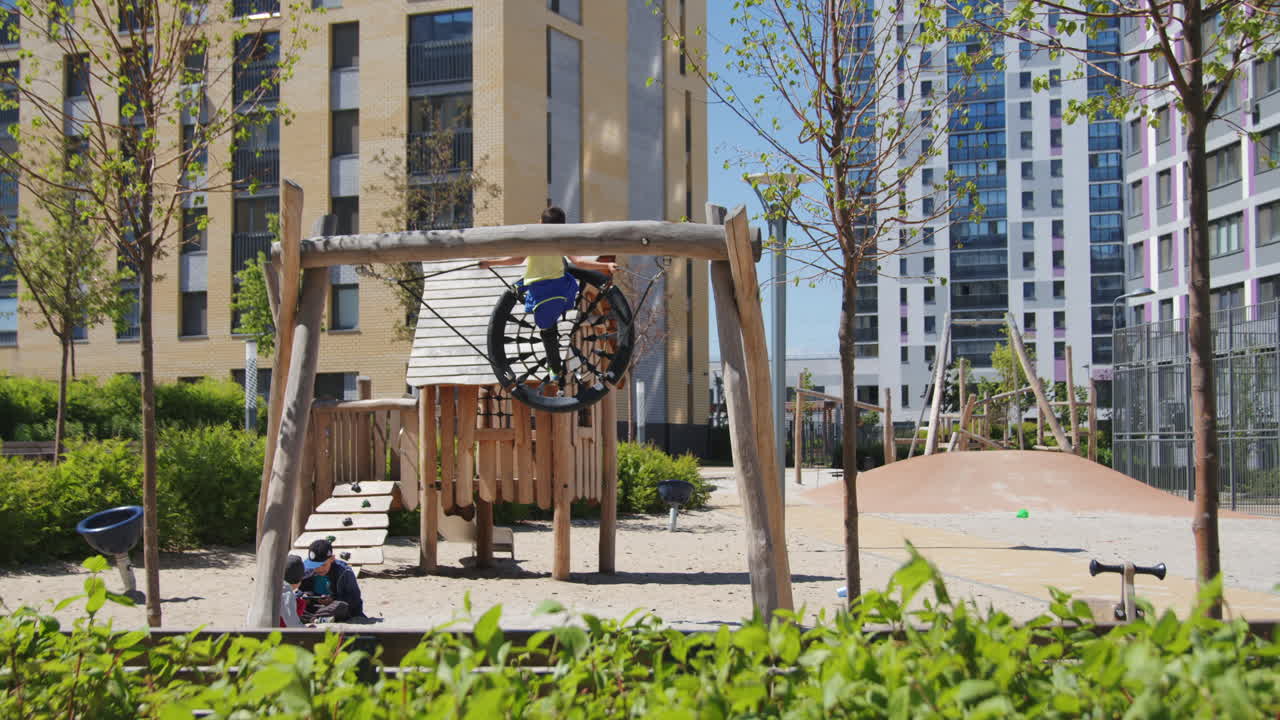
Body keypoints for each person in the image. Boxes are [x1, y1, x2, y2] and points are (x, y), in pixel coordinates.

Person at [478, 206, 617, 380]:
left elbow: (517, 259)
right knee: (549, 317)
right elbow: (580, 262)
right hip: (560, 287)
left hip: (541, 289)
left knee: (547, 329)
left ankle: (555, 368)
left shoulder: (532, 240)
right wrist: (606, 267)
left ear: (541, 223)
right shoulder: (562, 241)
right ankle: (555, 367)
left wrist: (491, 262)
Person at [300, 539, 365, 621]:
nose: (319, 569)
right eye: (315, 566)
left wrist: (332, 600)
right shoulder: (307, 570)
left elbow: (354, 599)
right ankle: (317, 619)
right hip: (314, 609)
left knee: (340, 606)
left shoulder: (344, 572)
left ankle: (315, 618)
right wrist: (306, 597)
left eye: (323, 565)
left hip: (337, 611)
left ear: (332, 559)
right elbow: (299, 590)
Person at [279, 554, 307, 628]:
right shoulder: (287, 593)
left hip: (252, 629)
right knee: (301, 603)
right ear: (299, 581)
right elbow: (293, 625)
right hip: (270, 633)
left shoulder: (273, 583)